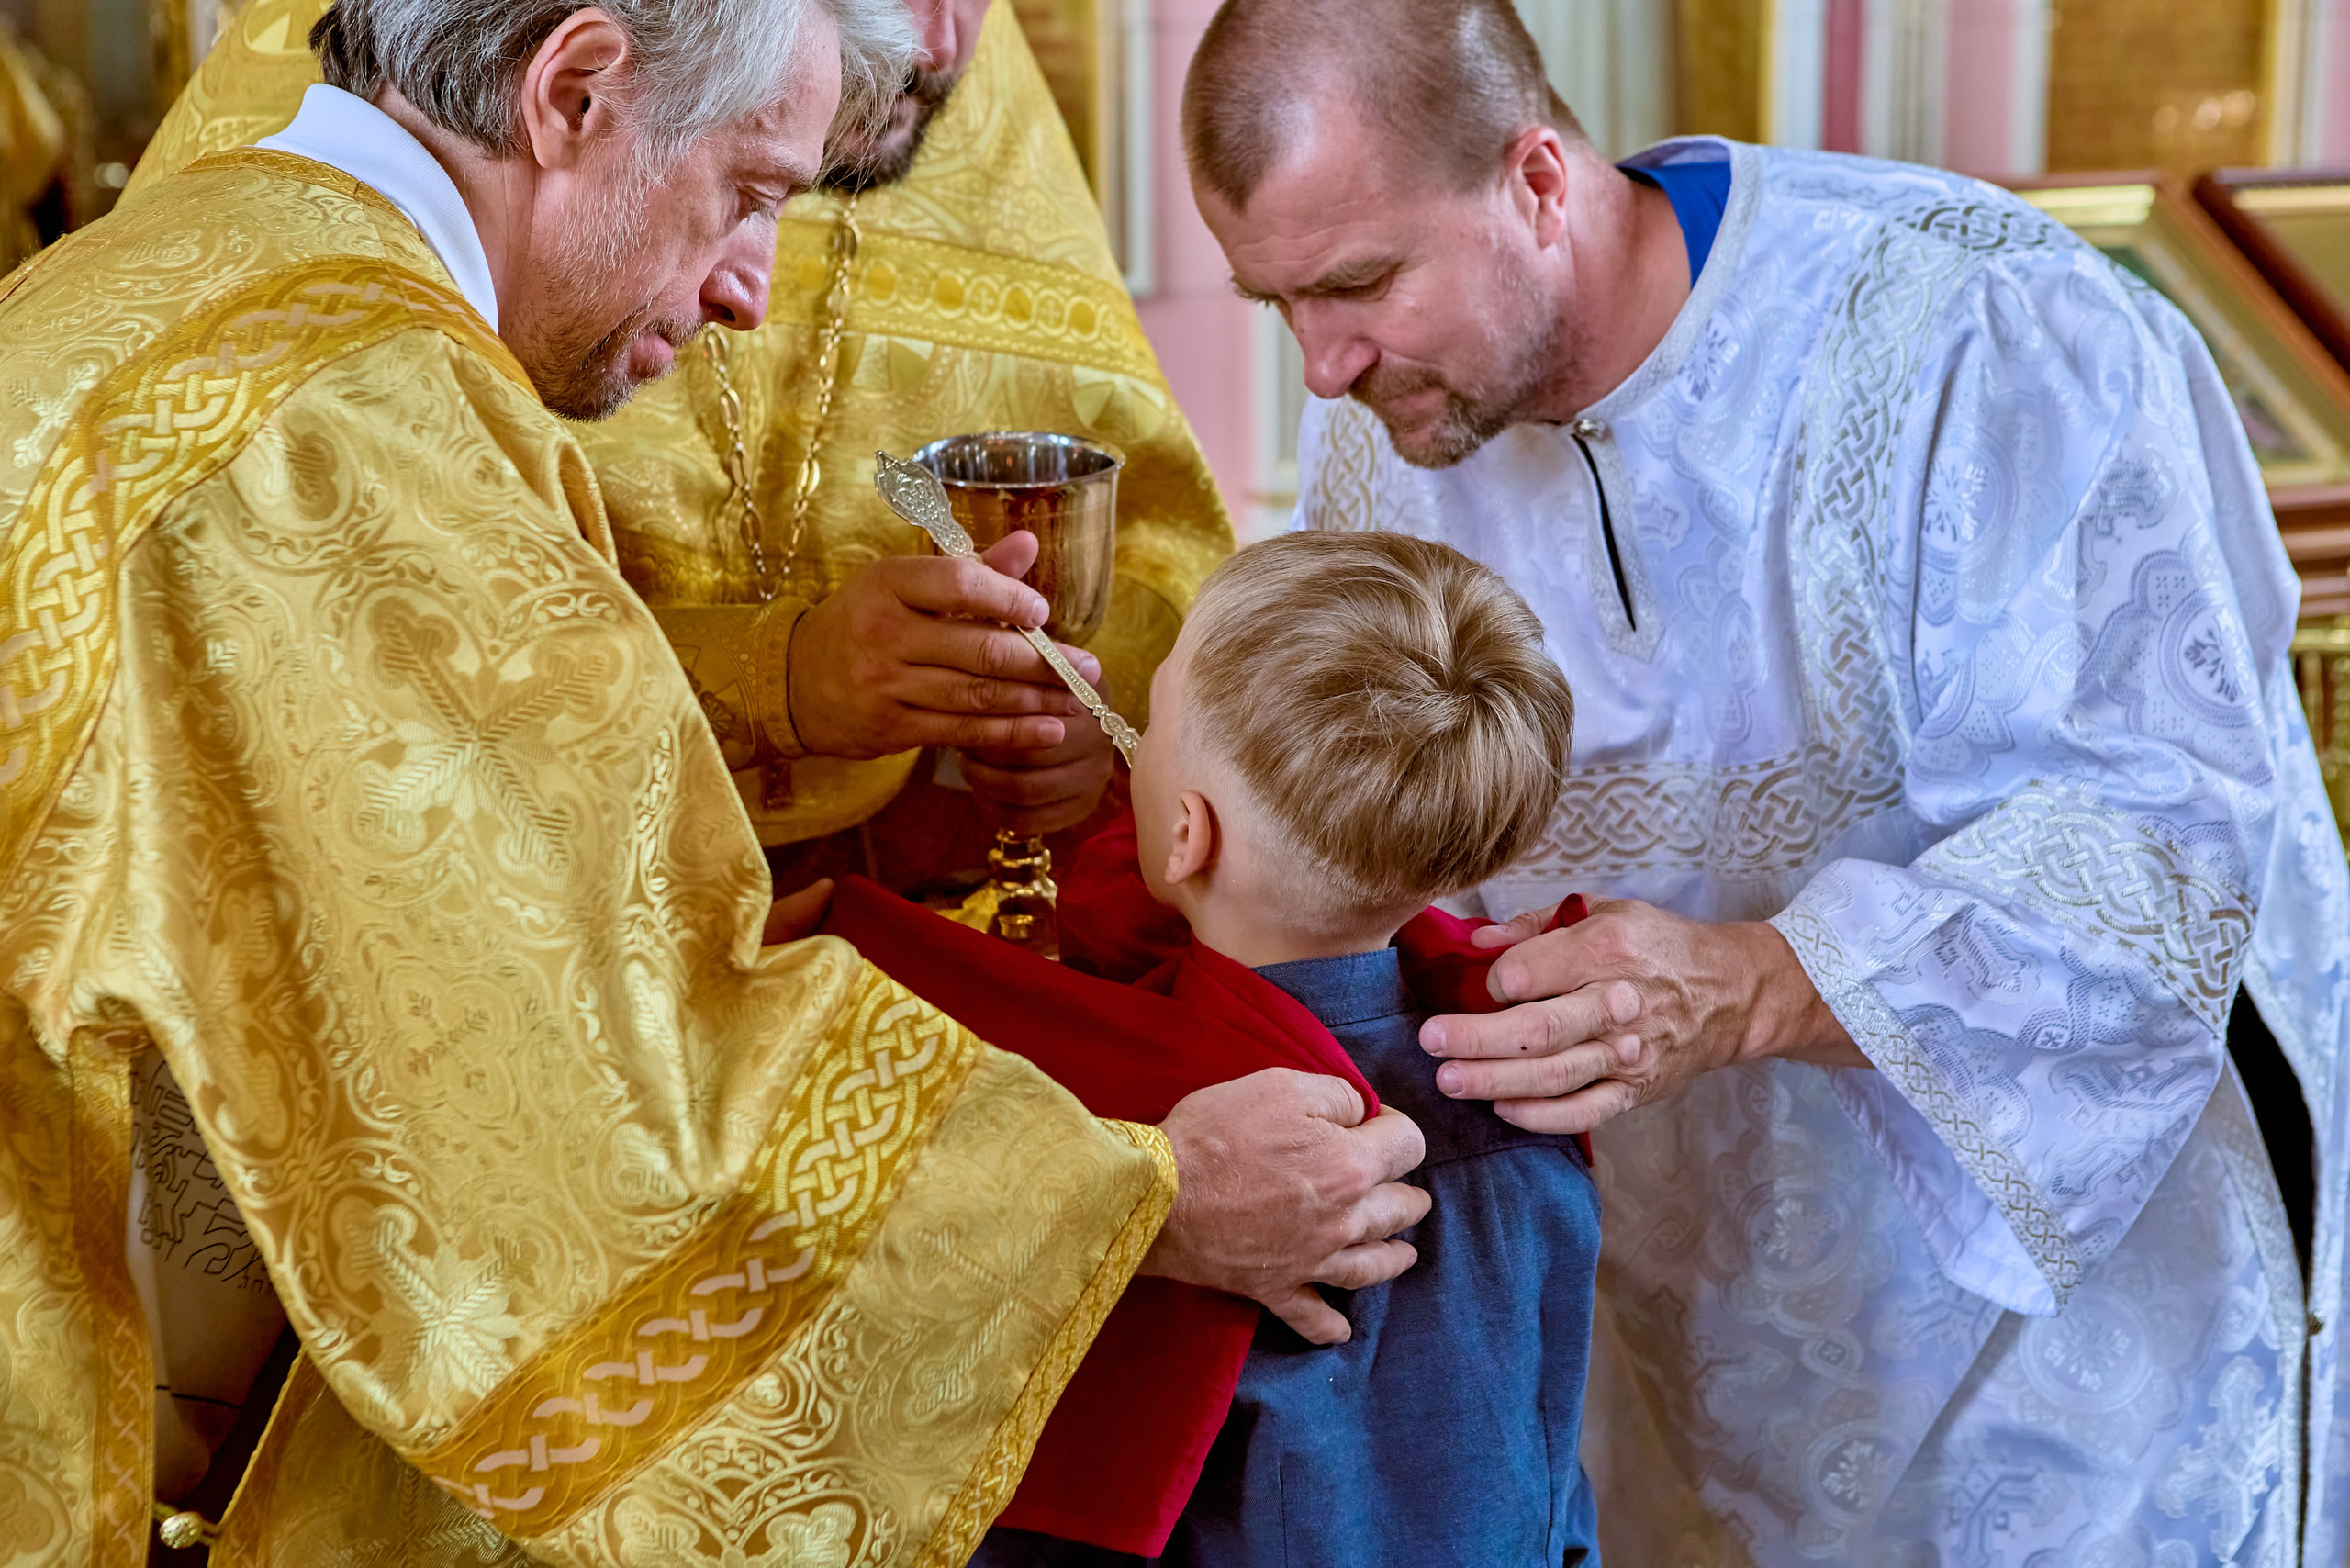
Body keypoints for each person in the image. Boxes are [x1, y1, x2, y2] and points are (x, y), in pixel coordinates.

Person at [0, 3, 1430, 1561]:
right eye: (748, 193)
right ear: (577, 87)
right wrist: (1141, 1200)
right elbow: (593, 1121)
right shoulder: (363, 425)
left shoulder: (176, 273)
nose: (751, 285)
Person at [1182, 1, 2350, 1563]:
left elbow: (2158, 851)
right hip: (1659, 1315)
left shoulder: (1990, 334)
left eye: (1359, 284)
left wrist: (1749, 982)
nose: (1325, 368)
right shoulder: (1391, 439)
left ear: (1537, 178)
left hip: (2041, 1349)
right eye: (1278, 307)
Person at [127, 0, 1231, 890]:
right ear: (577, 89)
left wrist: (1089, 718)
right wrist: (771, 676)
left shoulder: (945, 89)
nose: (936, 50)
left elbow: (1147, 553)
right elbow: (365, 707)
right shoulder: (354, 180)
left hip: (918, 903)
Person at [973, 530, 1602, 1567]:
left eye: (1155, 709)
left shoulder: (1181, 1153)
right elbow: (1532, 1465)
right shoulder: (1512, 1108)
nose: (1125, 726)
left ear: (1187, 835)